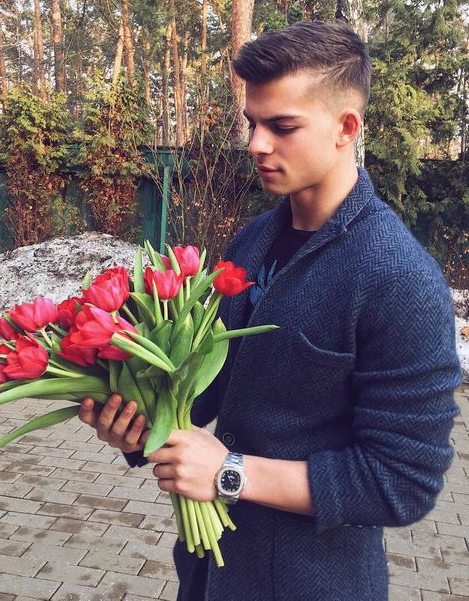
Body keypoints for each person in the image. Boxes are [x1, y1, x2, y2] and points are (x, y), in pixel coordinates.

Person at [79, 20, 462, 601]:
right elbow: (202, 393)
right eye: (252, 123)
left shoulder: (398, 279)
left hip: (314, 584)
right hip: (210, 573)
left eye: (282, 126)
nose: (257, 144)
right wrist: (137, 422)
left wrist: (231, 473)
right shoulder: (252, 242)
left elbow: (401, 483)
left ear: (346, 128)